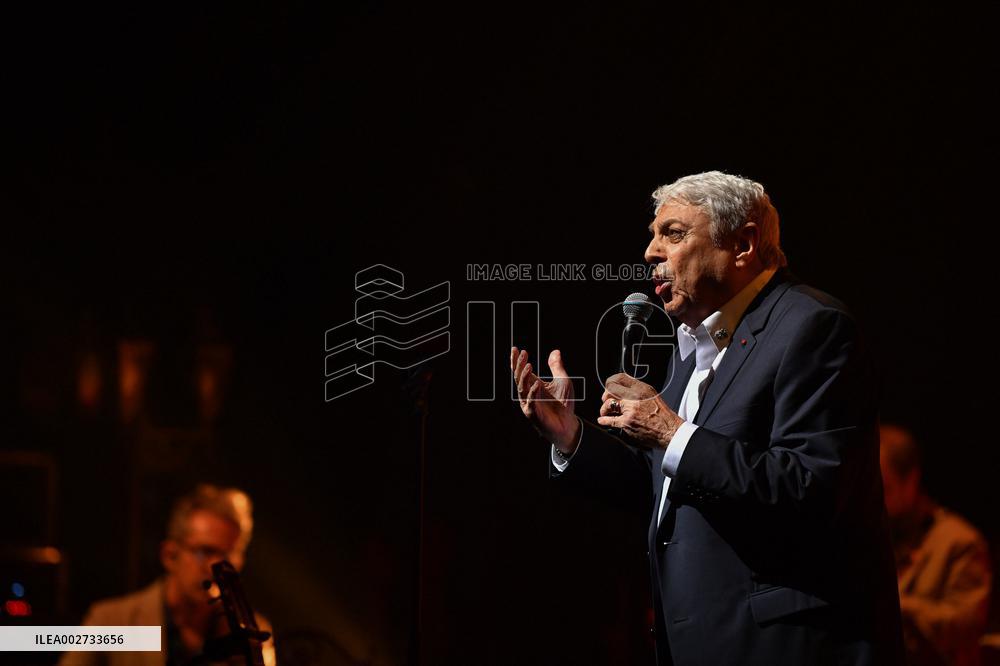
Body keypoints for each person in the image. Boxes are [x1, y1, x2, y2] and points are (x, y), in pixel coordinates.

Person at [511, 171, 904, 665]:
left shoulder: (813, 328)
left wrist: (672, 431)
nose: (650, 253)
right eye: (653, 236)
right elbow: (671, 486)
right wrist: (570, 436)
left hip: (787, 648)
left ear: (743, 244)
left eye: (673, 234)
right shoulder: (695, 349)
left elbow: (809, 486)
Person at [59, 484, 276, 666]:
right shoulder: (110, 622)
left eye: (228, 556)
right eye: (205, 552)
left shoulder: (252, 632)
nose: (217, 568)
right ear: (169, 555)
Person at [880, 423, 992, 666]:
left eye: (884, 488)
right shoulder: (873, 535)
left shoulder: (959, 541)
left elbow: (967, 624)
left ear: (911, 479)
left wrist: (896, 603)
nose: (875, 499)